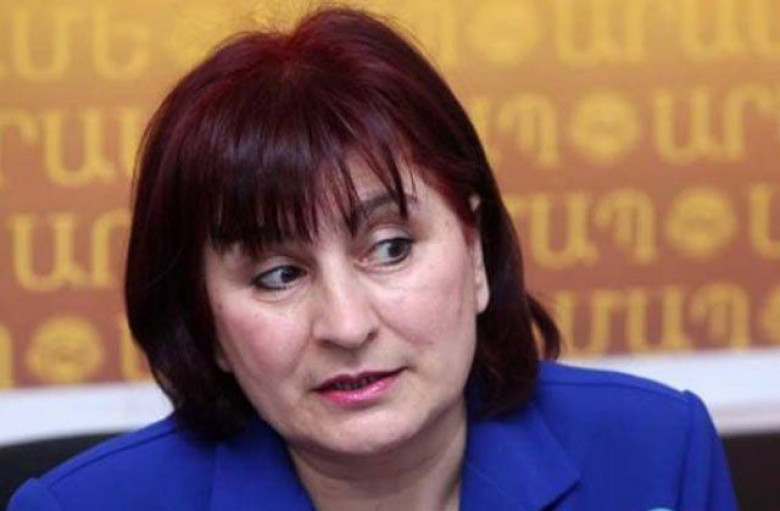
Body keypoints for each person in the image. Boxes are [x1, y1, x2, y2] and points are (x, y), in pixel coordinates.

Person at [9, 7, 737, 511]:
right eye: (278, 275)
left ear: (475, 252)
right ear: (207, 322)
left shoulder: (657, 453)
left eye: (391, 248)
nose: (347, 323)